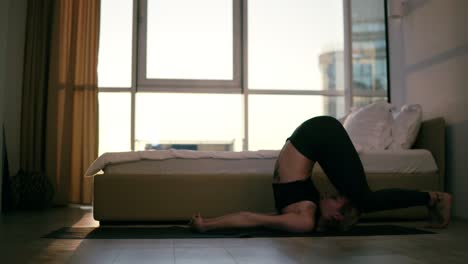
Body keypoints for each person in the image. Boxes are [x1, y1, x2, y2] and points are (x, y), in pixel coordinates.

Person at [189, 116, 452, 233]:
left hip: (314, 134)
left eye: (337, 198)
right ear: (337, 214)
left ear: (335, 216)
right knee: (364, 200)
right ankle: (433, 198)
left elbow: (251, 218)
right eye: (339, 197)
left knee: (363, 199)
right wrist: (207, 225)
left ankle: (433, 199)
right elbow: (251, 218)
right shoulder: (304, 215)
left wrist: (208, 224)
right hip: (320, 134)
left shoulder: (302, 220)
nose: (333, 194)